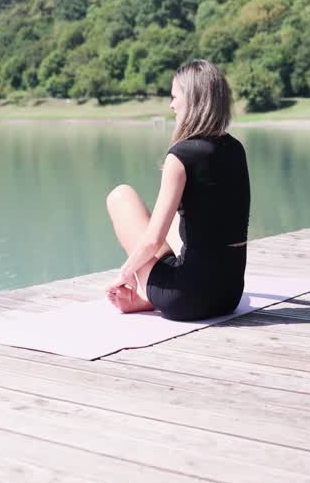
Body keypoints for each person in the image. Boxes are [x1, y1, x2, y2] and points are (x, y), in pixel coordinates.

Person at [104, 59, 251, 321]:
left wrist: (124, 275)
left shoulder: (181, 156)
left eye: (174, 97)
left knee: (121, 196)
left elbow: (151, 240)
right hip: (229, 296)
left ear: (192, 100)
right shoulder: (236, 149)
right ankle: (148, 298)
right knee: (178, 218)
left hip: (186, 298)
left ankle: (149, 296)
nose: (171, 105)